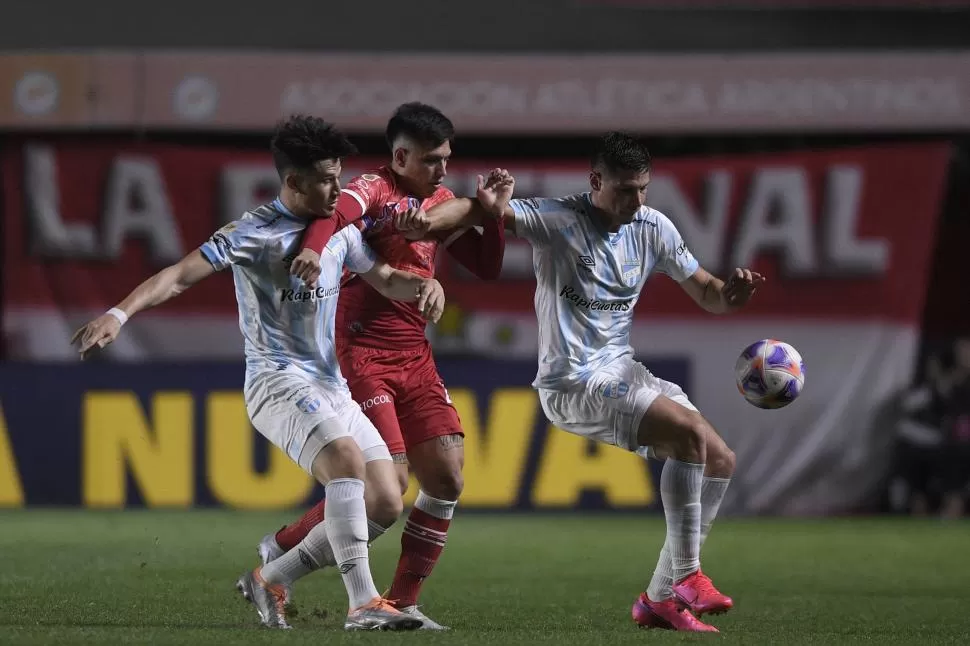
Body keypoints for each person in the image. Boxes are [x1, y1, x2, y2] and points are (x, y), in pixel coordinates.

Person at [70, 115, 445, 632]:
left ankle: (270, 577)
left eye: (340, 175)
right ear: (293, 182)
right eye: (326, 179)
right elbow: (179, 275)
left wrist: (423, 285)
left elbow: (382, 277)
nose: (339, 189)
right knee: (344, 461)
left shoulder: (341, 231)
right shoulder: (254, 233)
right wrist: (119, 314)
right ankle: (363, 604)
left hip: (331, 386)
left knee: (384, 500)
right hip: (278, 383)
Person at [417, 131, 763, 633]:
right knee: (687, 438)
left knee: (720, 459)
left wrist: (733, 296)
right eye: (625, 189)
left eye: (643, 188)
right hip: (572, 384)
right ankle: (687, 577)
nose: (636, 200)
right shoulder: (559, 219)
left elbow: (709, 294)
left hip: (621, 370)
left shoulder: (653, 227)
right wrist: (425, 221)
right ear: (595, 181)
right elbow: (474, 211)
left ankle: (660, 600)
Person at [252, 102, 511, 630]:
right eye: (433, 159)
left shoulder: (439, 203)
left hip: (414, 354)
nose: (443, 169)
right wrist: (310, 252)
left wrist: (496, 216)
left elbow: (486, 266)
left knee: (447, 478)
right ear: (401, 155)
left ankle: (402, 600)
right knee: (383, 493)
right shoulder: (369, 189)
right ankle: (283, 550)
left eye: (447, 159)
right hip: (359, 351)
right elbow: (332, 216)